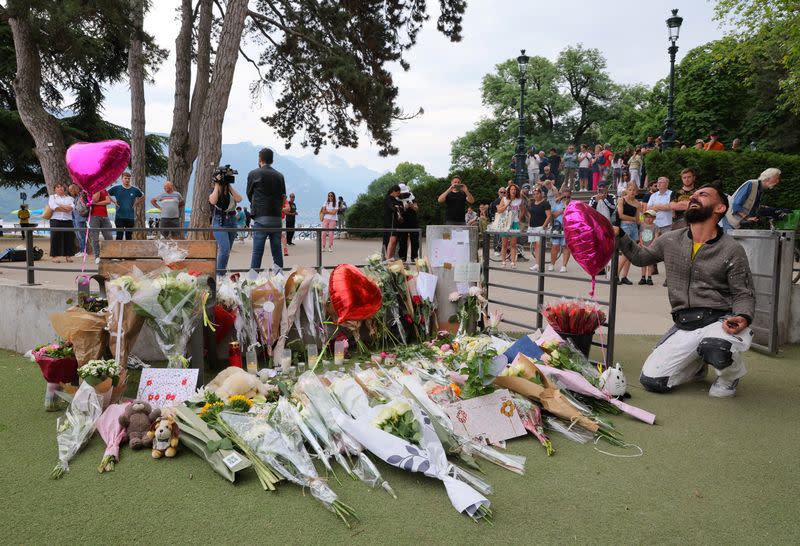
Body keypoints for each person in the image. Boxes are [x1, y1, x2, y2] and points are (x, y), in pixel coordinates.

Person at [616, 183, 755, 398]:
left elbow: (743, 293)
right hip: (685, 323)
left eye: (703, 194)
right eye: (693, 195)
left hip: (719, 321)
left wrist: (742, 317)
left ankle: (730, 375)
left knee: (716, 348)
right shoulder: (670, 239)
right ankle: (698, 366)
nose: (694, 197)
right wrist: (618, 235)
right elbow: (640, 258)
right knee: (652, 381)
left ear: (720, 208)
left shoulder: (732, 249)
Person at [247, 147, 286, 271]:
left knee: (257, 252)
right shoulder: (280, 175)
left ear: (260, 159)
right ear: (272, 160)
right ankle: (279, 280)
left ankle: (253, 281)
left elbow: (249, 194)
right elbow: (283, 196)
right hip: (276, 219)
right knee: (277, 252)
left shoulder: (254, 174)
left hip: (261, 218)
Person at [209, 166, 243, 276]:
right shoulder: (215, 190)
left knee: (227, 251)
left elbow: (239, 199)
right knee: (224, 249)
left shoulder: (230, 190)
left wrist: (229, 186)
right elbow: (213, 201)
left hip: (232, 221)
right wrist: (217, 184)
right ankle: (219, 276)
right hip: (219, 221)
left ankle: (221, 273)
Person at [616, 183, 642, 285]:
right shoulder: (621, 200)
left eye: (633, 190)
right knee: (625, 253)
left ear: (636, 192)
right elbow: (621, 215)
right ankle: (615, 275)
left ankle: (624, 277)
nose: (631, 192)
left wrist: (647, 219)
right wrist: (634, 219)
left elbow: (639, 219)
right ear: (626, 190)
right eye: (630, 189)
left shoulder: (638, 203)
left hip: (634, 228)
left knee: (630, 254)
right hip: (624, 227)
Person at [108, 172, 144, 241]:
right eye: (125, 178)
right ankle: (118, 251)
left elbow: (143, 196)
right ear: (122, 179)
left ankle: (128, 251)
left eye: (128, 178)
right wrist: (113, 201)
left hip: (130, 217)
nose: (127, 180)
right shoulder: (116, 188)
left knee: (129, 237)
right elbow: (105, 193)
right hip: (119, 216)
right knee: (119, 236)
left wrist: (136, 203)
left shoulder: (134, 189)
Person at [496, 183, 524, 269]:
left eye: (515, 190)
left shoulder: (519, 200)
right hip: (505, 223)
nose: (513, 191)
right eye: (512, 189)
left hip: (514, 223)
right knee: (504, 244)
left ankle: (513, 262)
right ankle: (503, 261)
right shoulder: (504, 199)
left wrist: (519, 219)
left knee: (513, 244)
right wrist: (507, 204)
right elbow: (499, 210)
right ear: (509, 191)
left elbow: (523, 210)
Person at [48, 182, 75, 263]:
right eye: (58, 187)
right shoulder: (52, 197)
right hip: (55, 219)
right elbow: (53, 207)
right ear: (55, 189)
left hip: (68, 220)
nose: (60, 188)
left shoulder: (70, 198)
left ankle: (68, 255)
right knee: (55, 237)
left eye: (62, 187)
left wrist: (59, 204)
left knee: (69, 238)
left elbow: (71, 208)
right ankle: (54, 256)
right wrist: (65, 207)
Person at [527, 186, 552, 271]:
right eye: (534, 194)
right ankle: (537, 263)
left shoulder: (545, 203)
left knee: (539, 245)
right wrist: (528, 225)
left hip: (540, 227)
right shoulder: (532, 203)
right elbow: (530, 215)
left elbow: (549, 216)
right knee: (535, 246)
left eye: (537, 194)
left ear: (541, 194)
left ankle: (540, 264)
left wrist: (543, 227)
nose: (535, 195)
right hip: (532, 227)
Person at [549, 189, 572, 272]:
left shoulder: (572, 204)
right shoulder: (557, 203)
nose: (566, 198)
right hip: (557, 227)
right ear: (561, 196)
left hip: (568, 227)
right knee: (555, 246)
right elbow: (554, 215)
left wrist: (567, 206)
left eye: (568, 196)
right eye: (564, 196)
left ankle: (564, 266)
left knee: (566, 246)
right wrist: (563, 208)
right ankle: (552, 264)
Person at [89, 186, 114, 263]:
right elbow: (95, 199)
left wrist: (97, 203)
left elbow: (108, 201)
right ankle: (97, 256)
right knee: (95, 238)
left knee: (109, 237)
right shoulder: (92, 189)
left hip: (105, 216)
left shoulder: (104, 189)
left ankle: (110, 255)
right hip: (94, 216)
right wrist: (98, 189)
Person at [397, 183, 420, 261]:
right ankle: (402, 258)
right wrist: (405, 208)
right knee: (402, 240)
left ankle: (414, 257)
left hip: (413, 220)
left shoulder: (411, 196)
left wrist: (412, 206)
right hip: (402, 221)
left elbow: (417, 208)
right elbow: (397, 211)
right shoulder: (396, 198)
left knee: (415, 239)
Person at [383, 184, 404, 261]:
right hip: (390, 222)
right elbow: (392, 207)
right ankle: (388, 258)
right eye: (398, 192)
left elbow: (401, 208)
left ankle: (391, 257)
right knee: (392, 240)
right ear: (394, 191)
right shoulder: (388, 198)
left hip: (395, 222)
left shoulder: (395, 199)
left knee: (394, 241)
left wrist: (398, 207)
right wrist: (397, 207)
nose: (399, 194)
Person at [68, 183, 89, 256]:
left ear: (75, 189)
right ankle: (81, 250)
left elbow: (85, 205)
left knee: (81, 235)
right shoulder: (76, 197)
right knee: (78, 235)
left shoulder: (81, 196)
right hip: (75, 217)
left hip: (81, 218)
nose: (70, 192)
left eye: (71, 190)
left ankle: (84, 251)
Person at [637, 210, 658, 285]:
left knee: (650, 263)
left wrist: (651, 245)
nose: (648, 219)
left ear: (654, 218)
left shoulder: (655, 227)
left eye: (651, 217)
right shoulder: (642, 226)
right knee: (643, 263)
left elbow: (656, 237)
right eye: (647, 217)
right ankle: (643, 277)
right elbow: (640, 235)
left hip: (651, 247)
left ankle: (649, 277)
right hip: (643, 247)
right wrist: (641, 243)